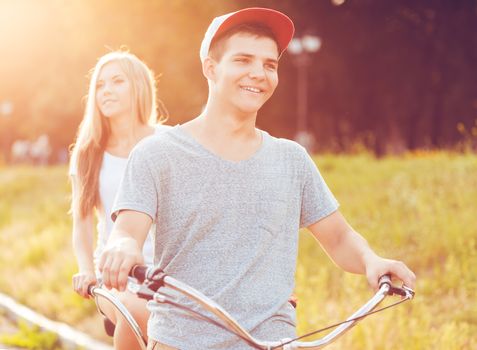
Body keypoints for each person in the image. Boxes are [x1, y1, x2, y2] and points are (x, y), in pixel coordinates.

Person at [99, 8, 416, 350]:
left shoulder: (291, 159)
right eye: (243, 60)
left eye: (269, 65)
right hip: (180, 341)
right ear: (210, 68)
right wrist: (123, 249)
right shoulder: (156, 153)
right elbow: (127, 231)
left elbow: (338, 238)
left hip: (273, 342)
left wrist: (371, 260)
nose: (258, 73)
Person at [69, 50, 169, 350]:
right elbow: (82, 225)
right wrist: (87, 270)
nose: (106, 91)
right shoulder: (88, 153)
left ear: (138, 86)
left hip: (170, 277)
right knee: (136, 312)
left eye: (117, 81)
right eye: (100, 85)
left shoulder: (168, 142)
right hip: (115, 279)